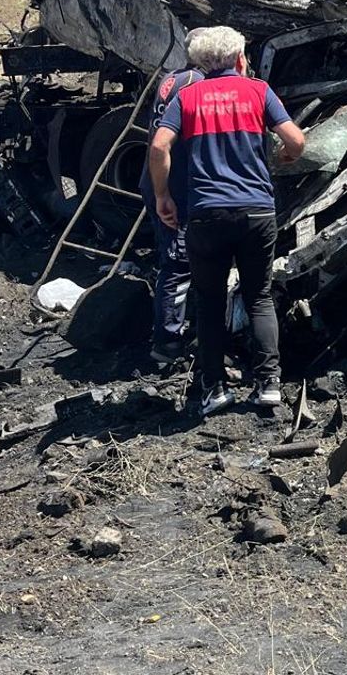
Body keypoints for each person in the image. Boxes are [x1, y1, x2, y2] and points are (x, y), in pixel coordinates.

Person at [148, 26, 306, 416]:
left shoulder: (186, 97)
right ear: (239, 58)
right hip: (256, 212)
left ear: (202, 63)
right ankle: (269, 384)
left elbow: (159, 146)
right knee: (258, 296)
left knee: (209, 301)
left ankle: (214, 389)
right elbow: (297, 141)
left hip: (206, 214)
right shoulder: (258, 91)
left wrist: (163, 195)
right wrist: (285, 157)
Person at [138, 63, 204, 365]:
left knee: (173, 256)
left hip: (157, 182)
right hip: (173, 187)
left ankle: (175, 327)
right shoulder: (196, 83)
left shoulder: (173, 76)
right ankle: (167, 342)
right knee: (178, 263)